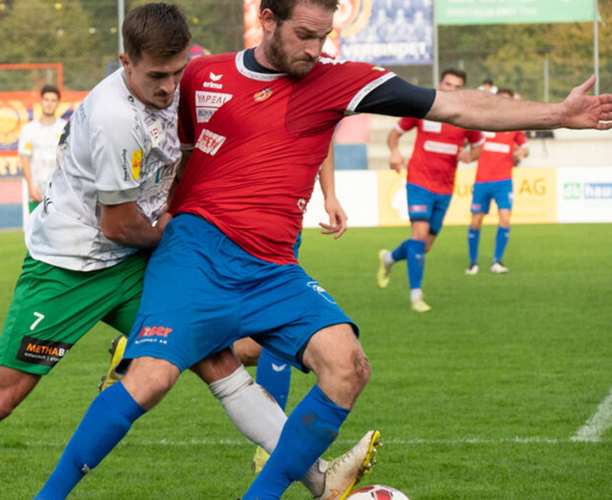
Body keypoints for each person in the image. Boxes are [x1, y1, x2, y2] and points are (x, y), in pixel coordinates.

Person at [31, 1, 612, 499]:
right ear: (267, 20)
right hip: (196, 252)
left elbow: (456, 106)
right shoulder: (202, 75)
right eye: (304, 34)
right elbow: (158, 145)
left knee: (347, 366)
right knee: (150, 381)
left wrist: (558, 115)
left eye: (323, 35)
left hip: (273, 268)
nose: (315, 48)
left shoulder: (340, 81)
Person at [0, 5, 367, 500]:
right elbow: (118, 225)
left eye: (177, 73)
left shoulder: (182, 86)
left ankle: (318, 480)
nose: (169, 87)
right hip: (71, 266)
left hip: (134, 261)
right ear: (126, 62)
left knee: (218, 362)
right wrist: (187, 236)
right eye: (156, 76)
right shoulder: (113, 118)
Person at [378, 68, 484, 313]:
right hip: (419, 181)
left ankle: (389, 258)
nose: (451, 89)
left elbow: (478, 145)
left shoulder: (465, 117)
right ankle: (416, 295)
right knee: (420, 234)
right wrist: (395, 153)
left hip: (445, 187)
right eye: (448, 84)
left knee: (424, 245)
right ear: (439, 83)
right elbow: (394, 135)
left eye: (457, 87)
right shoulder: (423, 108)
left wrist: (470, 156)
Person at [465, 88, 528, 275]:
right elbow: (469, 143)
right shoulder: (482, 121)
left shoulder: (515, 124)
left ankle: (497, 261)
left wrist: (522, 152)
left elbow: (525, 148)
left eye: (507, 100)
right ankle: (473, 263)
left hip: (504, 181)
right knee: (476, 221)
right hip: (482, 180)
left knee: (505, 218)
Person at [17, 84, 66, 212]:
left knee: (58, 224)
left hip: (59, 193)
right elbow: (25, 160)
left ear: (58, 103)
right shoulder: (29, 129)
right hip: (37, 192)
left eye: (53, 100)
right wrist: (31, 187)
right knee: (35, 224)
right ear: (41, 102)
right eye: (46, 100)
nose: (49, 104)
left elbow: (68, 159)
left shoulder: (64, 128)